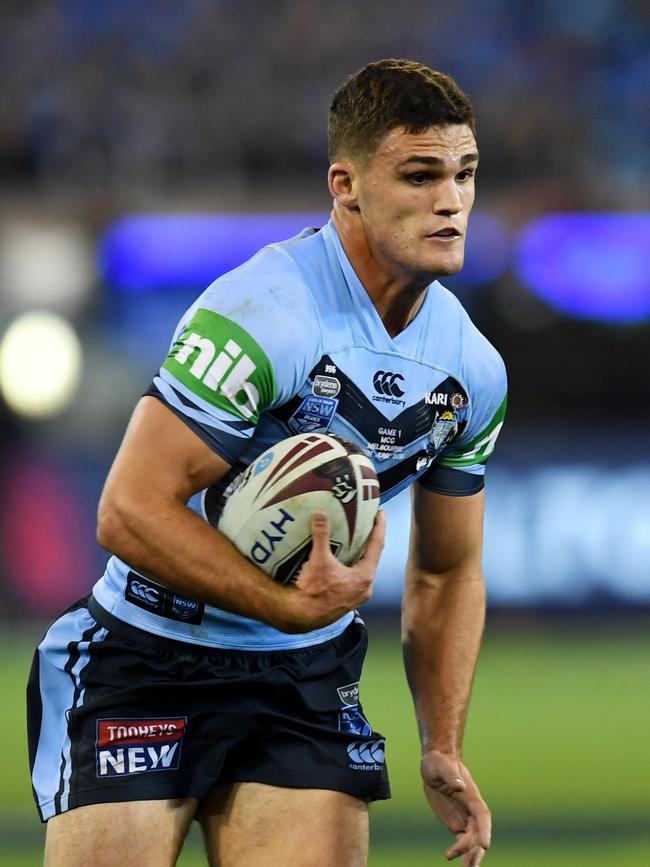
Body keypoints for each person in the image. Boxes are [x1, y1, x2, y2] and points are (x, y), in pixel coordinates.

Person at [27, 59, 506, 867]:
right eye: (420, 175)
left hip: (299, 679)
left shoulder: (472, 369)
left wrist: (443, 742)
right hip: (145, 656)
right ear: (345, 184)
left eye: (464, 174)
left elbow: (447, 571)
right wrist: (278, 604)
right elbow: (130, 508)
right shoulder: (263, 314)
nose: (451, 199)